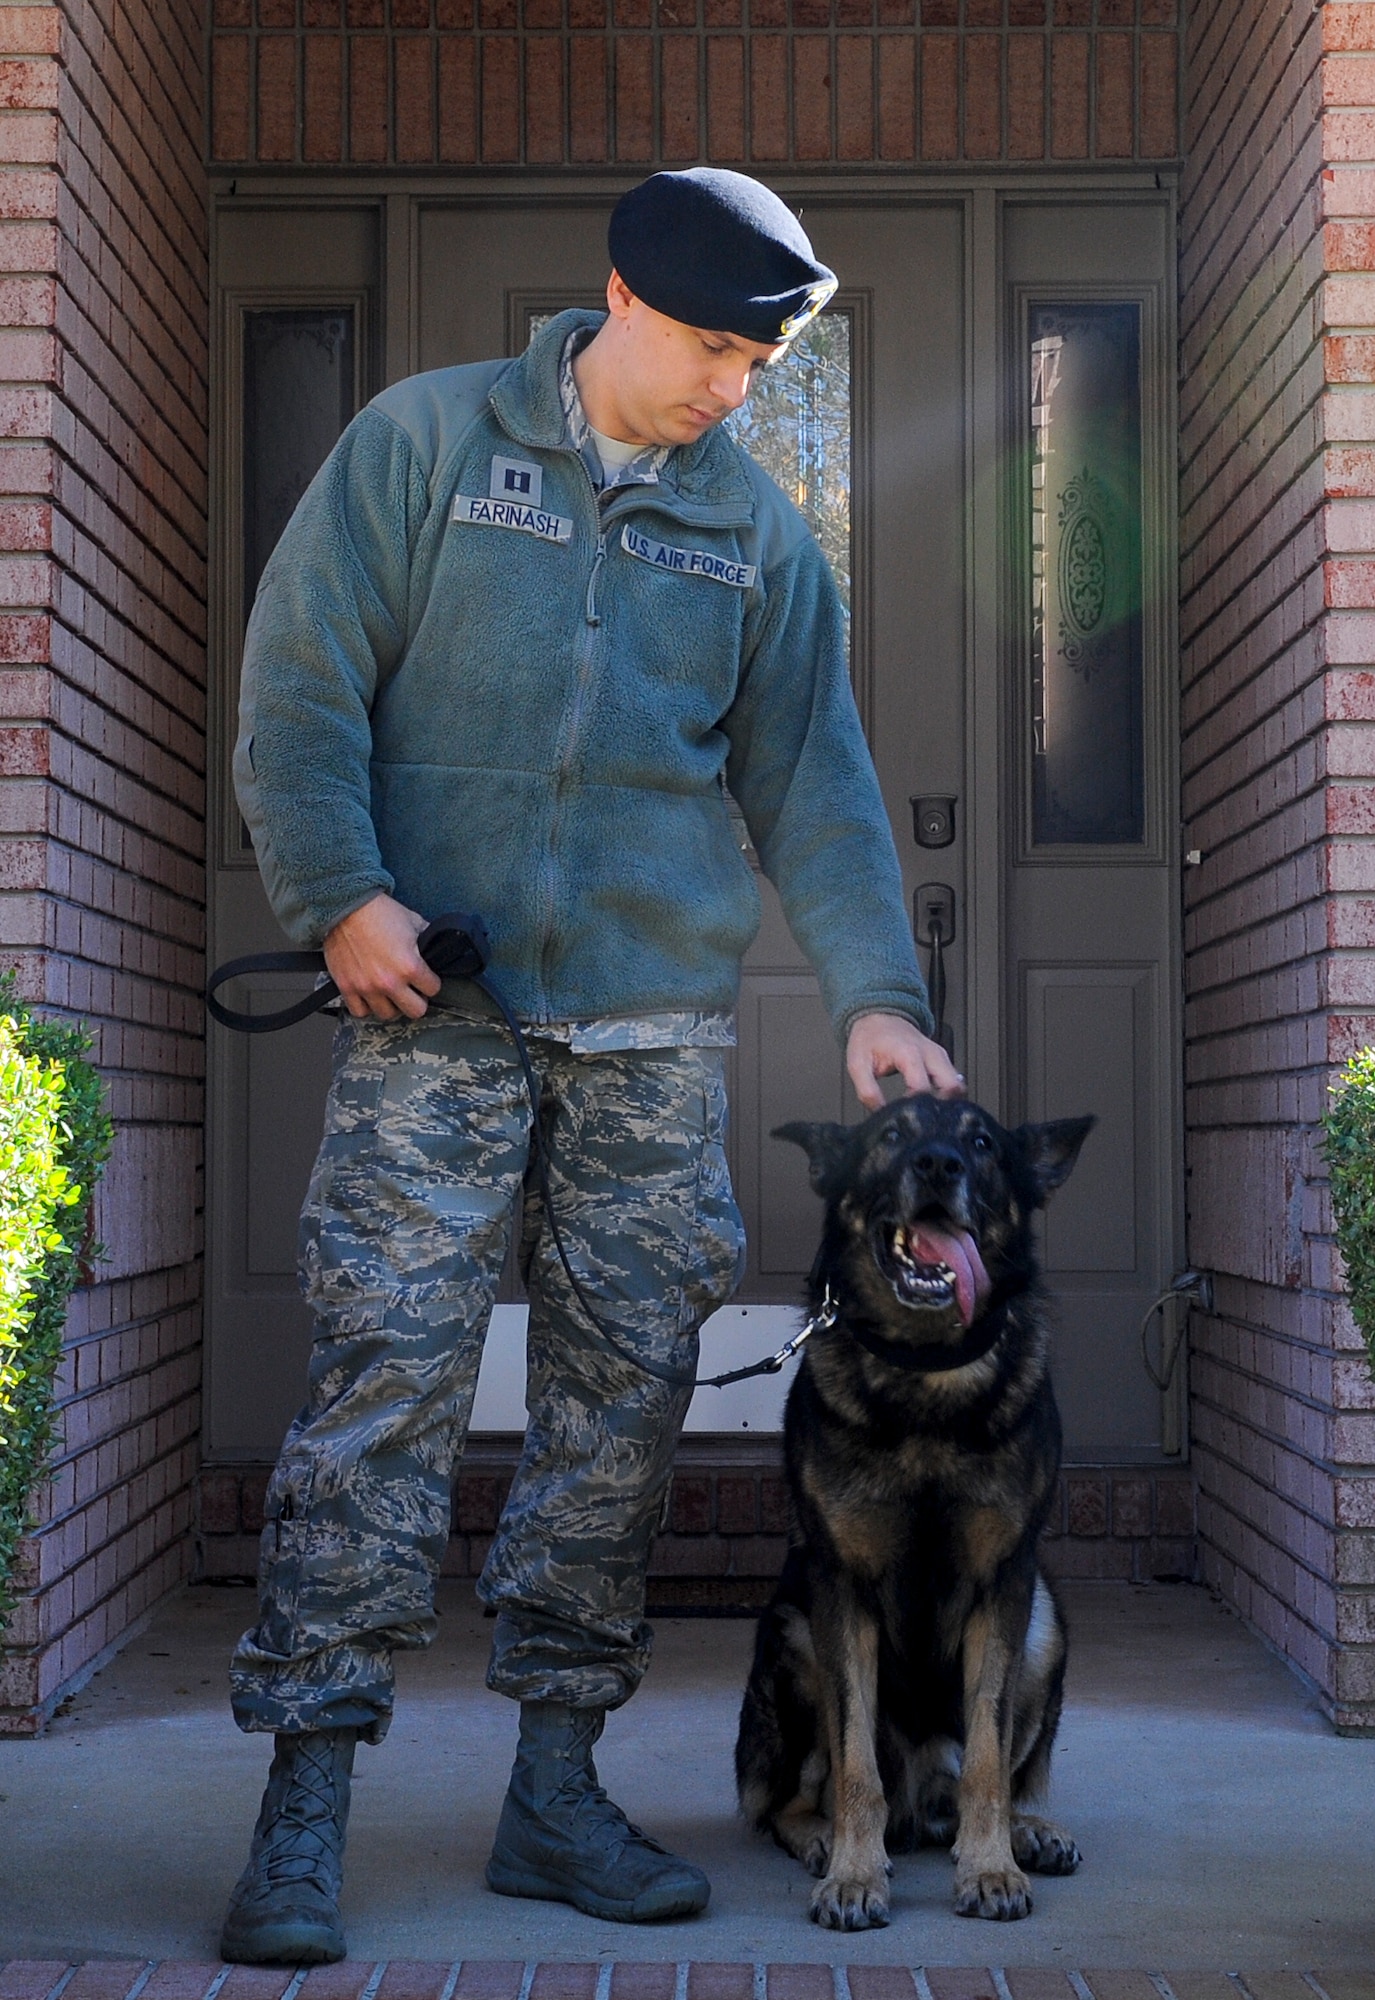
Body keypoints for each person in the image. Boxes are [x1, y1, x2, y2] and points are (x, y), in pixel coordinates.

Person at [222, 166, 962, 1966]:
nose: (736, 386)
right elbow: (301, 684)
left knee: (616, 1426)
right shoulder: (424, 448)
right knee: (380, 1396)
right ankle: (305, 1804)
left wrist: (877, 990)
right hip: (434, 1029)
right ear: (623, 296)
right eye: (716, 347)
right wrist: (341, 901)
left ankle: (554, 1794)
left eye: (763, 361)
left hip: (648, 1043)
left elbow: (819, 787)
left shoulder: (761, 540)